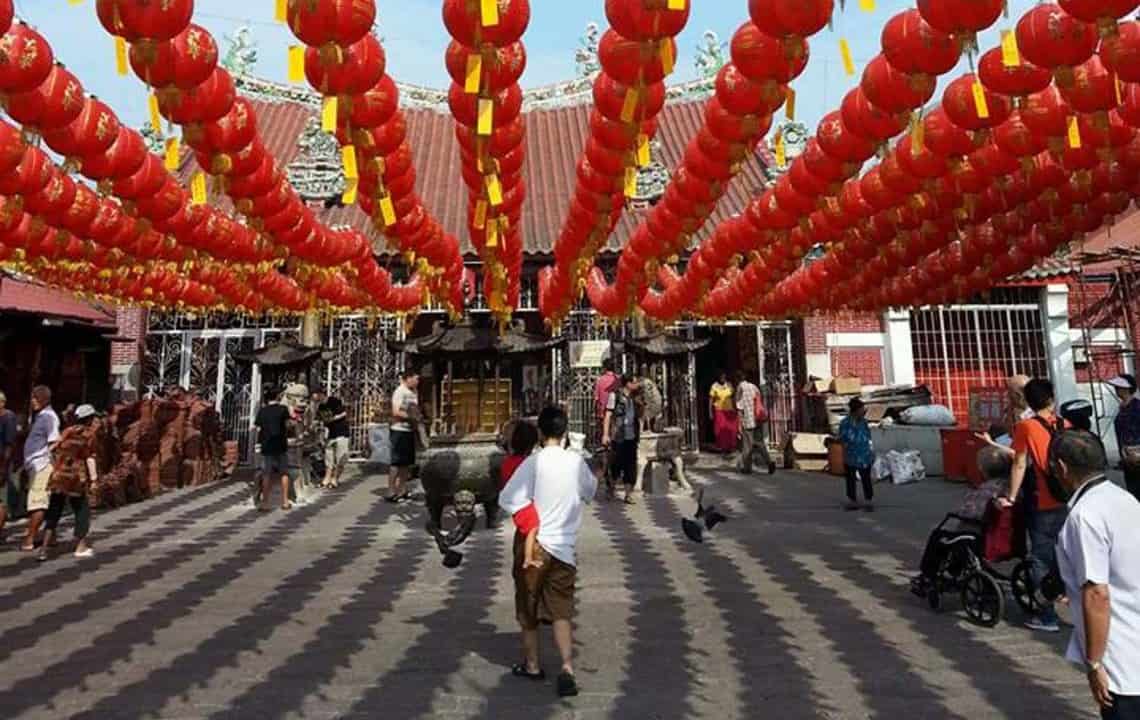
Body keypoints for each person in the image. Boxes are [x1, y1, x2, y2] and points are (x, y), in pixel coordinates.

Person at [499, 406, 599, 699]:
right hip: (565, 546)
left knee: (528, 606)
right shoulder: (576, 462)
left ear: (541, 433)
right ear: (565, 431)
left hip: (535, 544)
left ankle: (532, 664)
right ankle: (567, 667)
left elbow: (509, 498)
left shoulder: (533, 463)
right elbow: (589, 492)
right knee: (561, 609)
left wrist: (532, 517)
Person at [1052, 430, 1140, 720]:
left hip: (1121, 658)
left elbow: (1097, 593)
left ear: (1062, 467)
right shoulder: (1124, 499)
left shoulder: (1085, 515)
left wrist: (1094, 663)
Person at [1002, 377, 1070, 633]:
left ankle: (1047, 616)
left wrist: (1010, 496)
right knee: (1067, 554)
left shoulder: (1026, 427)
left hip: (1041, 501)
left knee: (1041, 558)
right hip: (1066, 499)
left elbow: (1020, 463)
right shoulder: (1065, 423)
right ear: (1052, 398)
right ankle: (1078, 605)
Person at [39, 404, 100, 561]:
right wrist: (94, 479)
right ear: (90, 419)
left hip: (59, 475)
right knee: (81, 510)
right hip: (76, 478)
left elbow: (52, 449)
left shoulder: (68, 431)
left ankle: (44, 549)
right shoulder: (89, 435)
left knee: (55, 509)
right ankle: (80, 546)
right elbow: (90, 457)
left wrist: (57, 466)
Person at [21, 385, 60, 551]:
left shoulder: (49, 417)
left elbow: (55, 441)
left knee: (37, 503)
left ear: (43, 399)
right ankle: (50, 537)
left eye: (35, 398)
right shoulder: (41, 417)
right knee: (40, 502)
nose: (32, 402)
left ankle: (29, 539)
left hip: (42, 465)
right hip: (34, 464)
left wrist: (45, 456)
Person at [602, 374, 641, 505]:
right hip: (618, 436)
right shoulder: (615, 396)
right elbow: (608, 415)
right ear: (628, 383)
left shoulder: (636, 397)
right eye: (635, 382)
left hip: (632, 436)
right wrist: (605, 434)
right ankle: (611, 488)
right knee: (616, 464)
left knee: (631, 465)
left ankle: (628, 494)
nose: (637, 385)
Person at [254, 386, 292, 511]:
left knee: (266, 474)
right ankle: (285, 501)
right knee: (284, 473)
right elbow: (287, 425)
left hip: (267, 446)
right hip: (281, 445)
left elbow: (258, 429)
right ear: (278, 397)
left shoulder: (262, 411)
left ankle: (265, 503)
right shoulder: (283, 409)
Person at [387, 368, 420, 503]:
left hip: (409, 430)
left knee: (406, 463)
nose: (418, 382)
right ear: (409, 378)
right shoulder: (399, 392)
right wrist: (410, 417)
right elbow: (395, 411)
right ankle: (391, 490)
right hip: (399, 430)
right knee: (396, 462)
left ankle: (402, 489)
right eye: (416, 379)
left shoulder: (413, 393)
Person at [734, 371, 775, 475]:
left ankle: (747, 468)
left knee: (747, 445)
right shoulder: (754, 386)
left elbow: (739, 408)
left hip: (748, 420)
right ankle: (769, 462)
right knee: (760, 443)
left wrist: (739, 424)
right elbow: (759, 402)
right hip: (757, 419)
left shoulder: (740, 389)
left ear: (737, 379)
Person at [837, 397, 875, 511]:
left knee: (866, 478)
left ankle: (869, 499)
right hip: (851, 454)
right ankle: (852, 500)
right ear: (855, 410)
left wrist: (871, 450)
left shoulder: (864, 422)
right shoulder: (845, 423)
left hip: (864, 454)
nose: (863, 412)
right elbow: (843, 438)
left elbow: (868, 436)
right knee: (850, 478)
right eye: (861, 409)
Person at [1108, 374, 1140, 501]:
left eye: (1118, 386)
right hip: (1128, 461)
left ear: (1126, 388)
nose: (1116, 389)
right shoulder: (1122, 408)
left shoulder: (1137, 407)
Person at [316, 390, 351, 489]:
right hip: (330, 434)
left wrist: (332, 419)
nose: (316, 399)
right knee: (329, 458)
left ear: (321, 394)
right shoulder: (320, 407)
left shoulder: (334, 401)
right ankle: (326, 479)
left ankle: (335, 479)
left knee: (340, 458)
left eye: (317, 397)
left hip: (341, 433)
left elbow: (343, 413)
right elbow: (321, 420)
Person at [0, 390, 17, 543]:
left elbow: (9, 444)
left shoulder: (8, 417)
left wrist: (4, 467)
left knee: (1, 498)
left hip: (1, 462)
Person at [709, 371, 738, 454]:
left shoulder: (729, 385)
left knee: (731, 430)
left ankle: (731, 447)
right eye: (721, 377)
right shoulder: (714, 386)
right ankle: (722, 448)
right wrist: (710, 412)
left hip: (730, 410)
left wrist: (736, 408)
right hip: (719, 411)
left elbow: (733, 397)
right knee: (720, 430)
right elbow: (711, 400)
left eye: (724, 377)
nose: (723, 378)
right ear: (718, 377)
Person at [593, 358, 619, 442]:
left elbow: (596, 398)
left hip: (602, 412)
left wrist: (594, 410)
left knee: (603, 436)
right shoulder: (617, 380)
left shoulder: (600, 380)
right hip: (616, 412)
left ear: (604, 368)